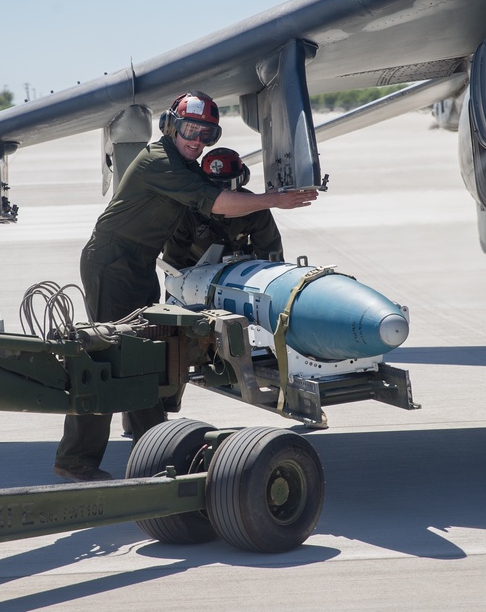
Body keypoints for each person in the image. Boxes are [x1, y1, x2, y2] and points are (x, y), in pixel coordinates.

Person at [53, 92, 317, 482]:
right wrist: (274, 200)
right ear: (171, 126)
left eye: (206, 133)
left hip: (138, 263)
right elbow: (219, 204)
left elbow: (221, 196)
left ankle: (153, 448)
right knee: (106, 358)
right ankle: (75, 459)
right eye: (190, 129)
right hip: (112, 262)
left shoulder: (184, 163)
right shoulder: (160, 162)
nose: (197, 139)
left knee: (146, 354)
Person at [162, 147, 283, 268]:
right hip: (195, 269)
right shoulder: (186, 210)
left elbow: (271, 254)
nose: (224, 194)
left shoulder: (256, 206)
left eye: (230, 185)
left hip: (242, 268)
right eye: (215, 186)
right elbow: (174, 262)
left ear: (243, 180)